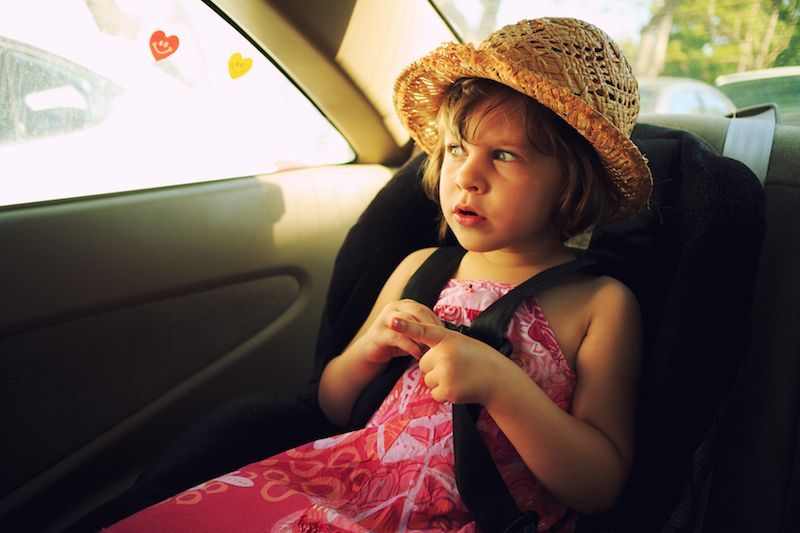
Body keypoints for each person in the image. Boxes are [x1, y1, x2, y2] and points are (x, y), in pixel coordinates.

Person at [106, 17, 651, 532]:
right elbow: (334, 407)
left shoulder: (600, 304)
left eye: (505, 155)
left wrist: (501, 385)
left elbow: (599, 485)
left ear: (574, 181)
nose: (467, 175)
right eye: (457, 148)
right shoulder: (421, 271)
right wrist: (371, 349)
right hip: (352, 488)